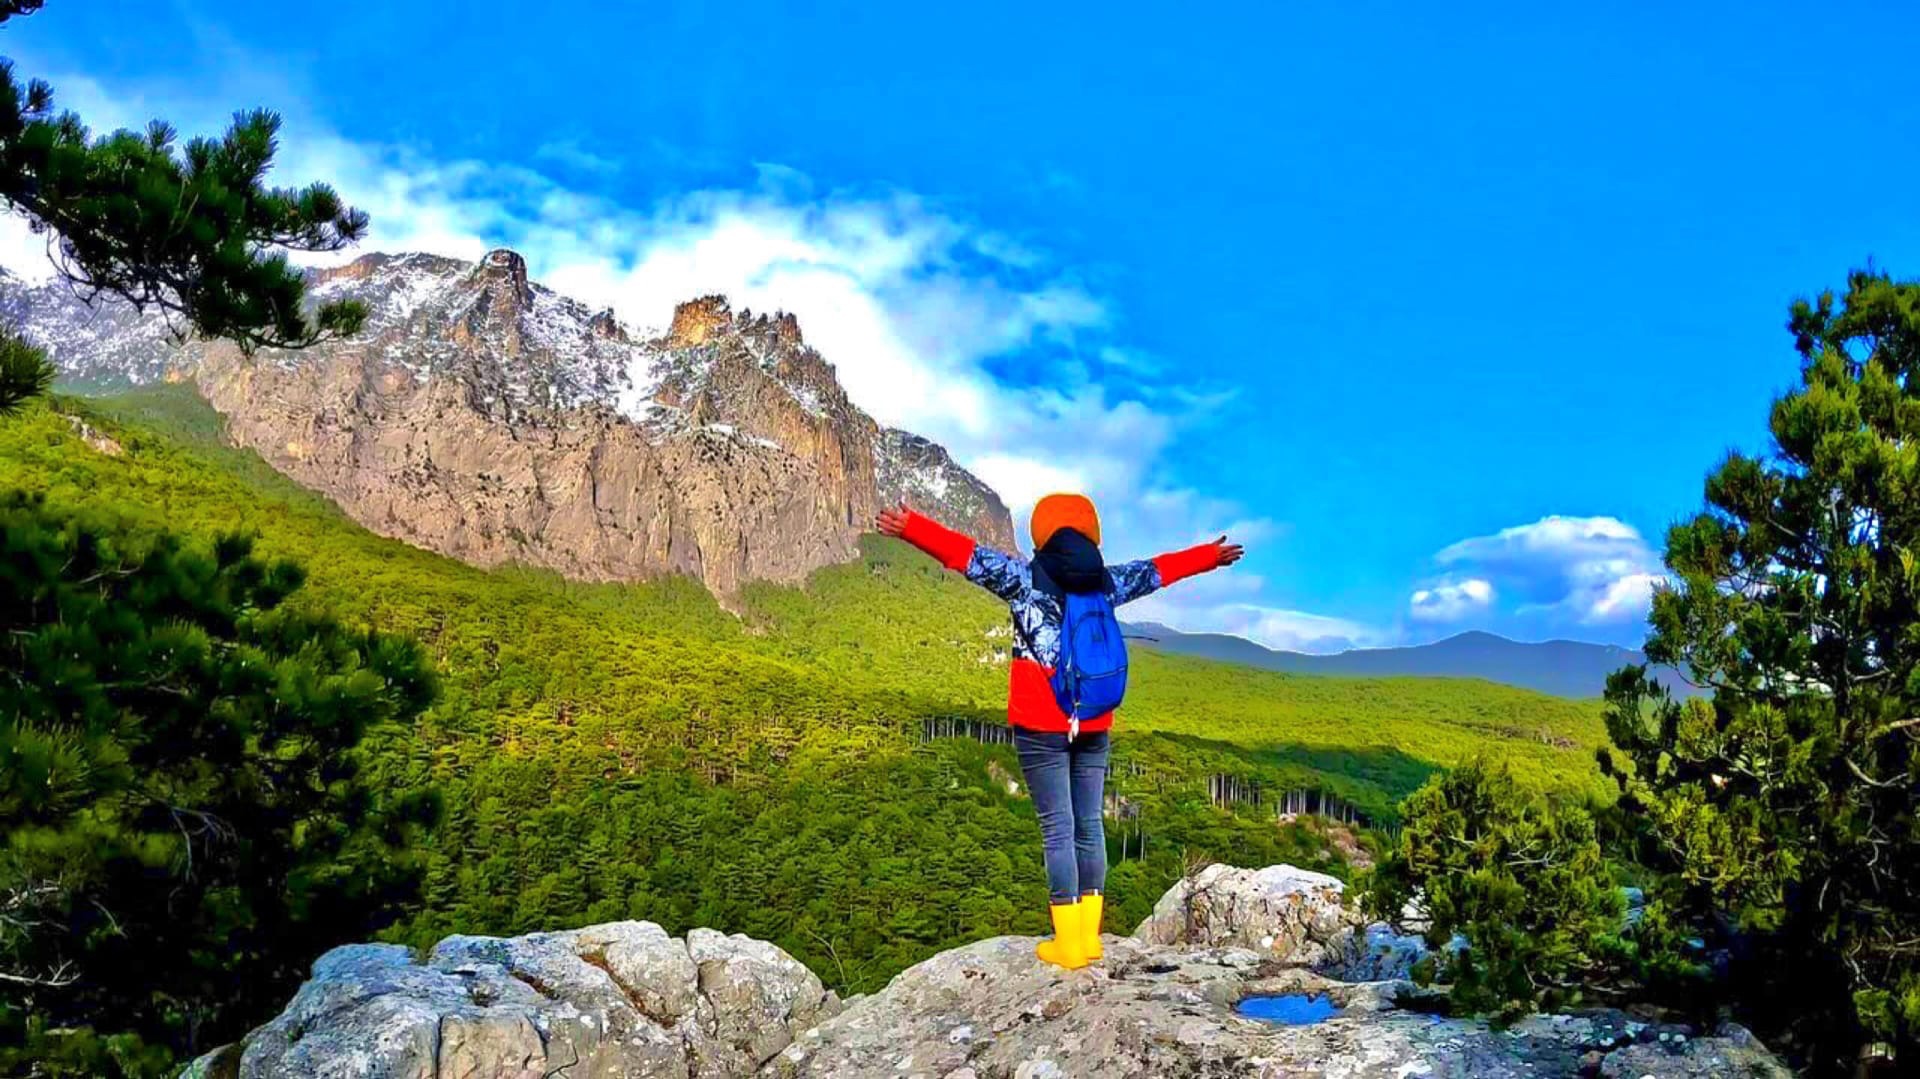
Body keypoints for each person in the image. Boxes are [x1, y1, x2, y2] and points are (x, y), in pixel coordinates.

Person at [876, 494, 1244, 970]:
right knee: (1089, 826)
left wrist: (910, 527)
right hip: (1093, 720)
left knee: (1058, 829)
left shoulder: (1023, 579)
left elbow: (963, 554)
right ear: (1093, 533)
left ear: (1041, 534)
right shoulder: (1107, 582)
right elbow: (1159, 570)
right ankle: (1089, 938)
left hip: (1040, 725)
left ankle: (1067, 943)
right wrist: (1208, 558)